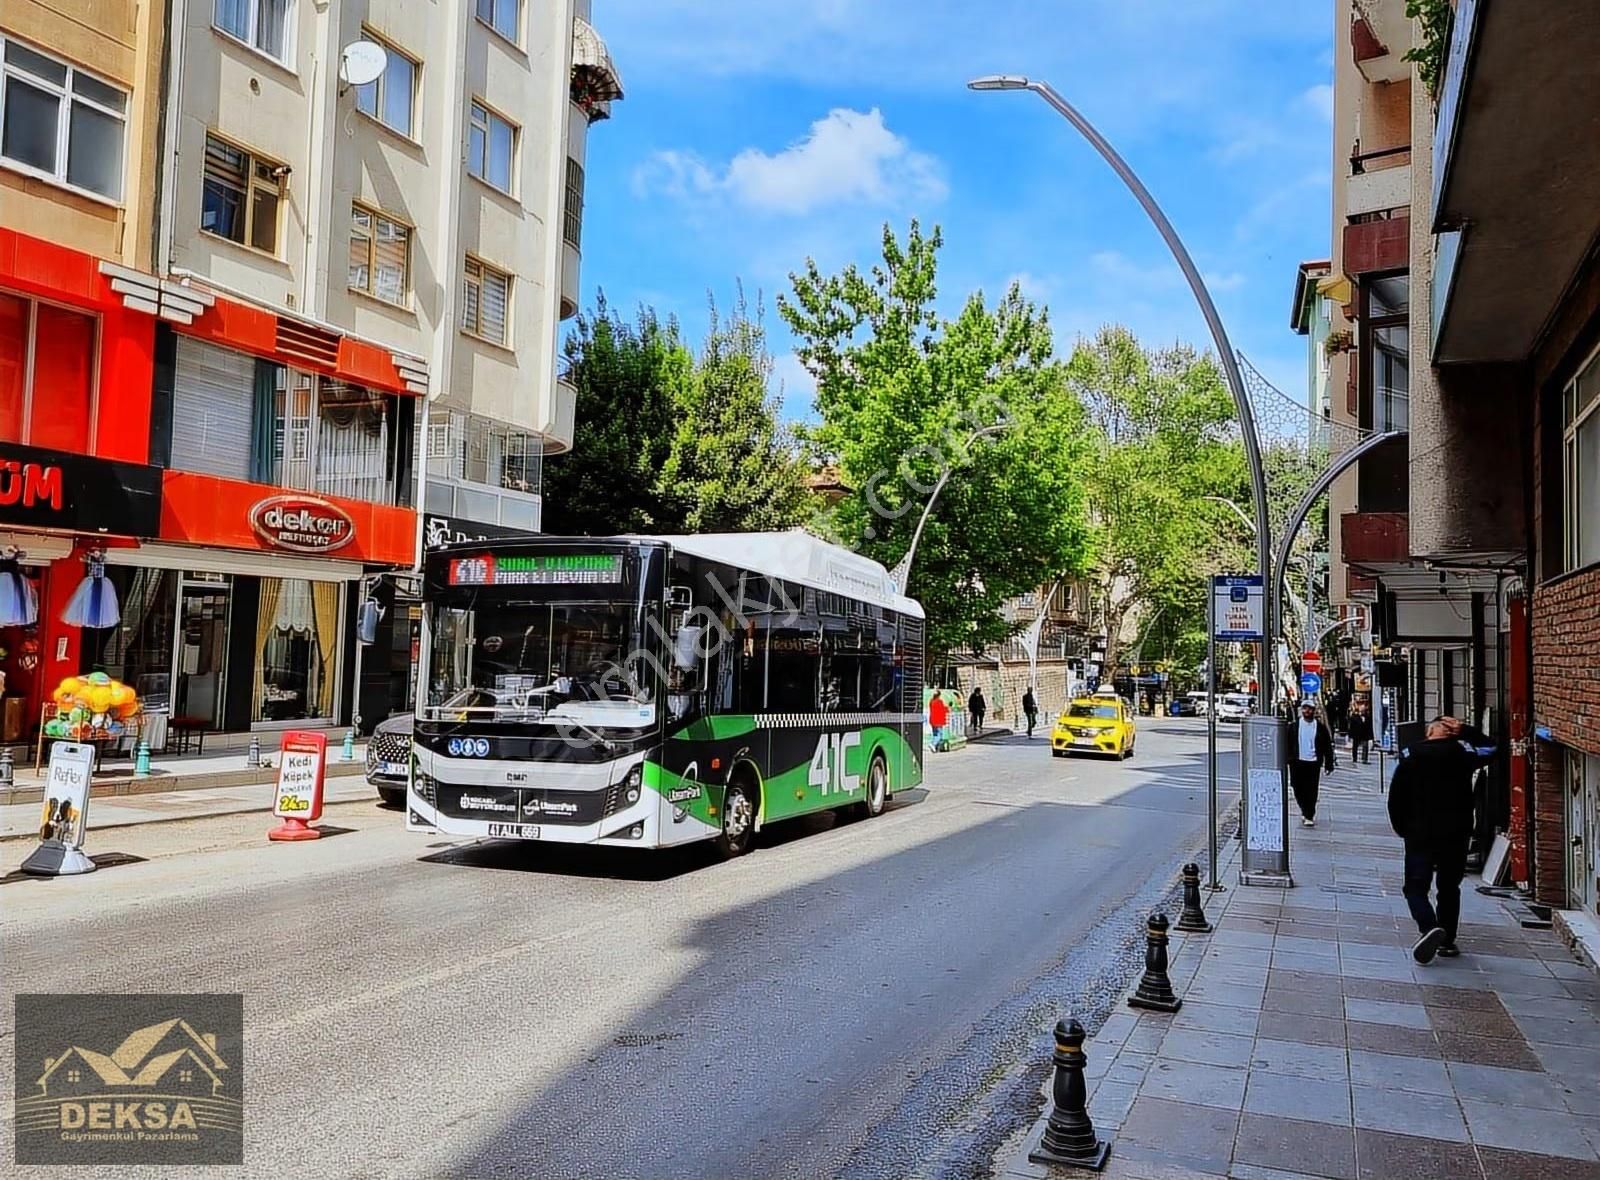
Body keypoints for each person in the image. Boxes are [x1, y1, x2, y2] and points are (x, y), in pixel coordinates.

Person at [1388, 715, 1497, 963]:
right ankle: (1446, 941)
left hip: (1420, 832)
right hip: (1455, 833)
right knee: (1449, 887)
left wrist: (1400, 826)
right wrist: (1466, 731)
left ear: (1429, 731)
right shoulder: (1463, 752)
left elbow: (1396, 794)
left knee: (1415, 887)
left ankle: (1429, 927)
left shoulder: (1410, 754)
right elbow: (1492, 748)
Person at [1289, 700, 1336, 827]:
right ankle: (1304, 809)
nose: (1307, 711)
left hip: (1313, 763)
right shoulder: (1294, 726)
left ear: (1314, 711)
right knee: (1297, 787)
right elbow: (1287, 744)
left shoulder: (1320, 728)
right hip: (1297, 762)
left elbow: (1327, 747)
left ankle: (1309, 814)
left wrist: (1329, 764)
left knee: (1311, 790)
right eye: (1305, 708)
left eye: (1309, 709)